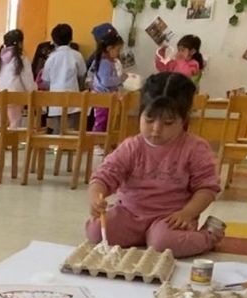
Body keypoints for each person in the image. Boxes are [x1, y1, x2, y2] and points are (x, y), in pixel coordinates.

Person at [85, 72, 224, 257]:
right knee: (95, 231)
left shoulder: (195, 148)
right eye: (149, 120)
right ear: (140, 115)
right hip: (130, 214)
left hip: (171, 218)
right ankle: (143, 235)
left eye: (168, 123)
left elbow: (207, 188)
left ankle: (210, 235)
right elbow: (104, 176)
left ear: (184, 121)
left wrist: (187, 213)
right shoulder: (132, 146)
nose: (156, 129)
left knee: (162, 243)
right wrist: (95, 198)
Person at [40, 24, 88, 132]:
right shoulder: (77, 55)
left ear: (53, 41)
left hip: (56, 98)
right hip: (74, 97)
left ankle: (57, 142)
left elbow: (45, 81)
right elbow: (82, 76)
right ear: (71, 39)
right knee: (73, 129)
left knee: (57, 129)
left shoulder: (51, 58)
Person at [0, 29, 34, 128]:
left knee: (2, 124)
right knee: (15, 122)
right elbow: (28, 82)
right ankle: (13, 138)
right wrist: (34, 91)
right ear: (20, 43)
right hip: (14, 96)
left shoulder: (0, 58)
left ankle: (1, 138)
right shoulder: (21, 59)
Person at [90, 33, 128, 134]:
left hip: (105, 97)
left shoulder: (108, 61)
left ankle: (100, 140)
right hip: (102, 98)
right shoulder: (105, 62)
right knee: (101, 121)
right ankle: (96, 140)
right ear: (109, 48)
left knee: (105, 122)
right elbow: (105, 81)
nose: (118, 53)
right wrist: (120, 79)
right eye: (117, 50)